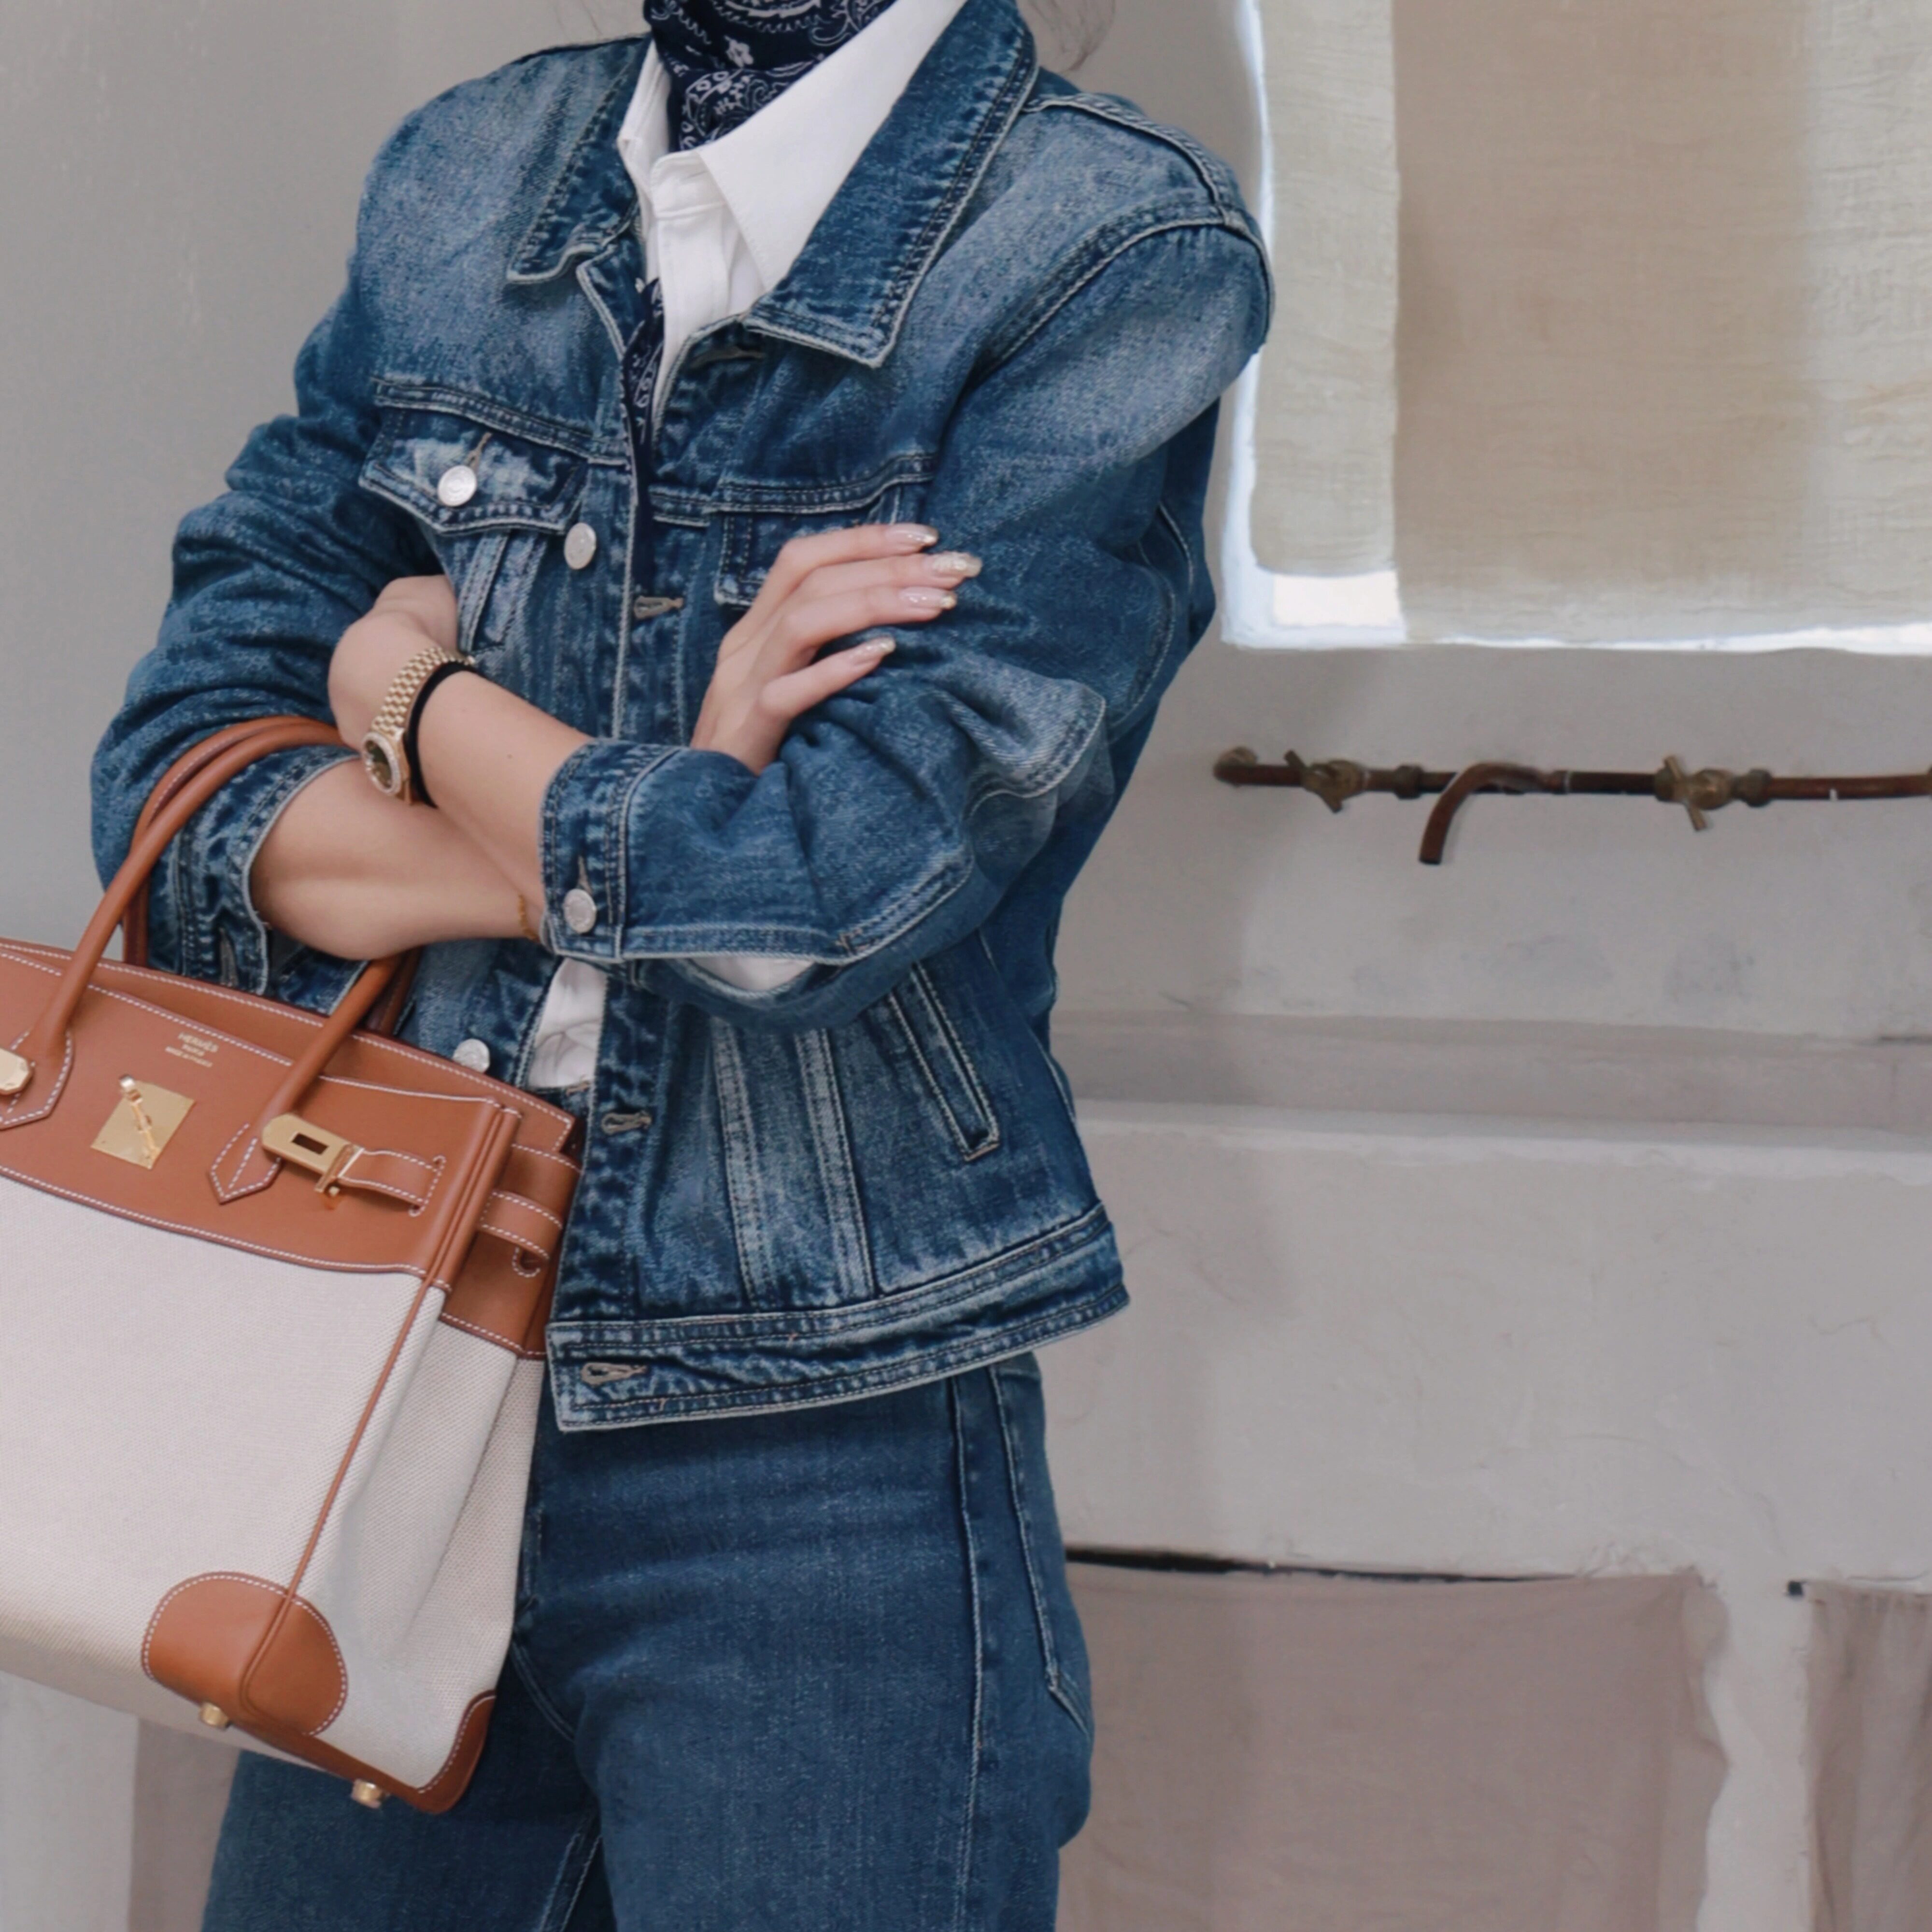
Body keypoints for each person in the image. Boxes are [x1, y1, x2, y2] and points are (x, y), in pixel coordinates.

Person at [91, 0, 1270, 1924]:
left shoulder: (1103, 244)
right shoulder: (472, 173)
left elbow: (808, 905)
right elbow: (185, 787)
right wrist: (661, 791)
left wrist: (408, 695)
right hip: (387, 1375)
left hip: (814, 1442)